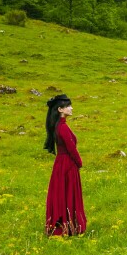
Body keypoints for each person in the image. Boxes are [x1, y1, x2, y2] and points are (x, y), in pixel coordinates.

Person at [44, 94, 87, 236]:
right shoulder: (62, 128)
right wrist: (79, 162)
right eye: (68, 106)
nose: (71, 108)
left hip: (61, 164)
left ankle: (64, 224)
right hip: (67, 164)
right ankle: (68, 226)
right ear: (60, 109)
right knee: (68, 192)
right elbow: (71, 148)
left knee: (62, 192)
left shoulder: (59, 126)